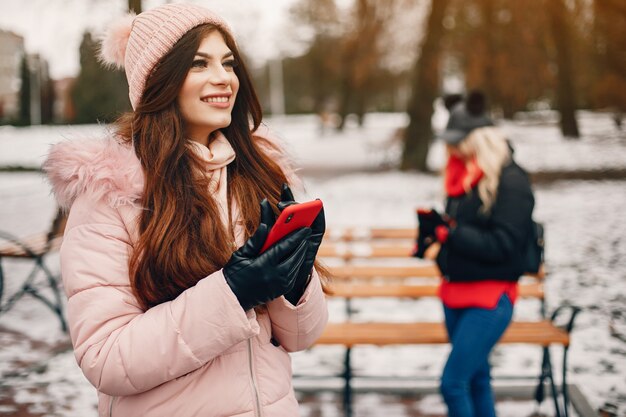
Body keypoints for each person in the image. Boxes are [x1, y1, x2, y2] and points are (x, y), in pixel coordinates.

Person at [43, 4, 328, 416]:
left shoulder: (256, 177)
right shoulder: (111, 194)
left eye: (228, 63)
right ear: (160, 80)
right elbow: (105, 357)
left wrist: (296, 279)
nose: (223, 78)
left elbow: (301, 337)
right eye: (199, 64)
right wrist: (232, 293)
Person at [415, 91, 535, 417]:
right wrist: (436, 237)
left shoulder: (511, 181)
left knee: (453, 383)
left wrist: (451, 233)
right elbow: (462, 233)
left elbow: (504, 244)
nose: (451, 149)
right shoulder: (463, 178)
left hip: (490, 299)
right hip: (455, 294)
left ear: (480, 140)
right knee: (477, 379)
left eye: (458, 142)